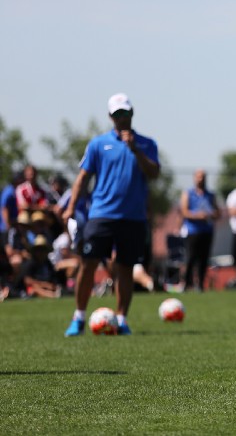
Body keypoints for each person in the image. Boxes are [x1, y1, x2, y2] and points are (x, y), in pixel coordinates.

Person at [63, 93, 160, 336]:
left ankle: (122, 319)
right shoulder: (98, 144)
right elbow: (83, 177)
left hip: (133, 217)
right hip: (102, 214)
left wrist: (135, 150)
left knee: (125, 267)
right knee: (88, 263)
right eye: (117, 114)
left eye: (125, 113)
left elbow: (154, 174)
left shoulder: (147, 144)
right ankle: (79, 317)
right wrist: (71, 206)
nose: (122, 118)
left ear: (132, 113)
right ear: (110, 117)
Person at [180, 169, 219, 292]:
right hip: (193, 231)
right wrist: (198, 216)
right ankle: (186, 283)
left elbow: (217, 212)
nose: (200, 179)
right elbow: (184, 212)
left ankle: (200, 284)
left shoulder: (210, 195)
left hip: (207, 231)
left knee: (204, 259)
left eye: (203, 177)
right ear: (194, 178)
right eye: (198, 176)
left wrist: (210, 214)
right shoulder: (188, 193)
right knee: (191, 258)